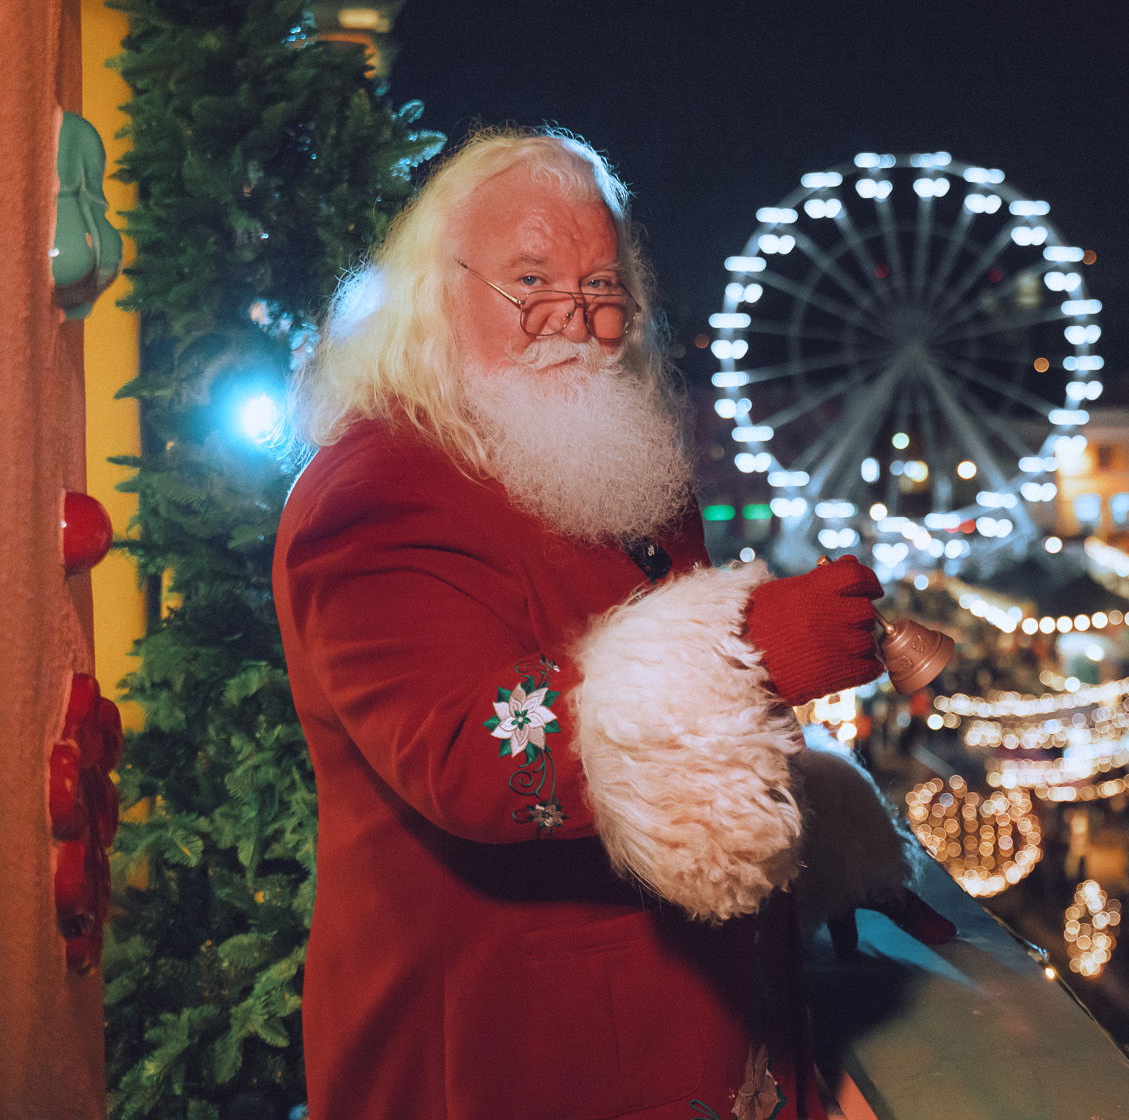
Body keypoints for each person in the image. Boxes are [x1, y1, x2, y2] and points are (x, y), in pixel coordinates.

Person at [275, 130, 918, 1120]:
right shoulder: (376, 488)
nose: (574, 320)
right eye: (529, 280)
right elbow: (462, 753)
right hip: (519, 1060)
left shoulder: (625, 474)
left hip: (692, 1040)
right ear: (434, 293)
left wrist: (818, 834)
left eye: (601, 283)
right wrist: (745, 657)